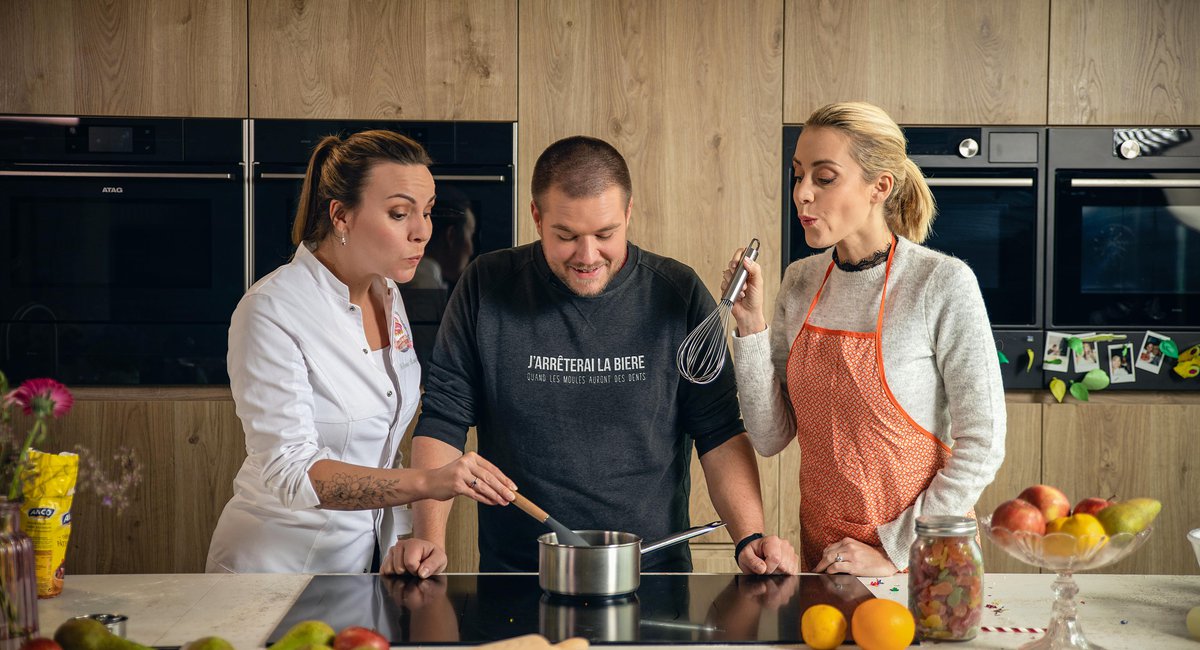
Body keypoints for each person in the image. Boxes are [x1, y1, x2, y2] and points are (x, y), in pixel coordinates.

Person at [383, 135, 797, 577]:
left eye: (605, 234)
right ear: (537, 217)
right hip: (520, 575)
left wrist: (750, 537)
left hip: (653, 574)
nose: (587, 256)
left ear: (628, 214)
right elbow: (444, 419)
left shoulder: (676, 291)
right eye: (566, 236)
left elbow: (718, 433)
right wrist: (428, 540)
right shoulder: (487, 285)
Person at [207, 130, 515, 574]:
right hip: (274, 572)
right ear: (341, 216)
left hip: (365, 570)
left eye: (427, 213)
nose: (422, 232)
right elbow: (292, 474)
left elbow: (382, 446)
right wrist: (429, 482)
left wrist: (406, 537)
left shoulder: (386, 291)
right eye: (398, 213)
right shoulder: (271, 311)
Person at [725, 102, 1006, 577]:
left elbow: (984, 442)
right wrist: (750, 326)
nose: (802, 194)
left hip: (924, 560)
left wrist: (896, 550)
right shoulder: (800, 281)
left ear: (880, 187)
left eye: (825, 177)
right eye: (798, 176)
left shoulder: (940, 282)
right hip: (829, 559)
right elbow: (770, 436)